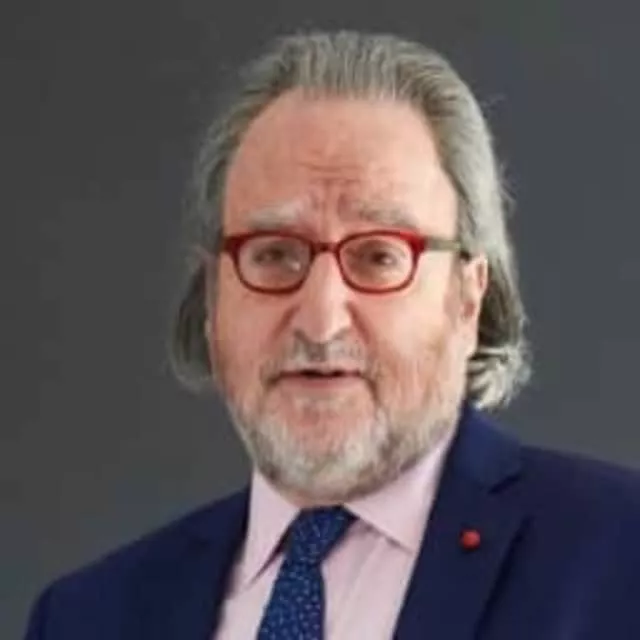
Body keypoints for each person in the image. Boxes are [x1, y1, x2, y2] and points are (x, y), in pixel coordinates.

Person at [24, 30, 640, 640]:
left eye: (379, 256)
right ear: (213, 297)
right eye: (273, 254)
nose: (320, 320)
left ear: (467, 297)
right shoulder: (86, 618)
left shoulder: (619, 558)